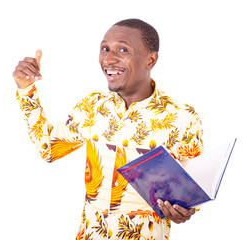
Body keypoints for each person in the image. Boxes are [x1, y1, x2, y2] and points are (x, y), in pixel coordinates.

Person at [14, 18, 203, 240]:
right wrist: (27, 90)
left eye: (123, 49)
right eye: (105, 49)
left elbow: (196, 187)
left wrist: (186, 210)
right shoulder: (91, 107)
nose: (109, 59)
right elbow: (48, 148)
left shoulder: (182, 118)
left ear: (150, 60)